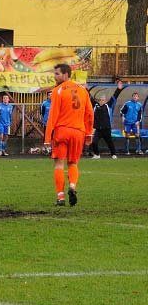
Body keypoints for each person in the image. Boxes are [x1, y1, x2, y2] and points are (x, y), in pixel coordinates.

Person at [43, 64, 94, 207]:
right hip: (79, 132)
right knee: (73, 162)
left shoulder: (57, 91)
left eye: (57, 74)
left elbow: (52, 115)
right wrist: (89, 133)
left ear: (66, 74)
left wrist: (47, 138)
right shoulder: (83, 90)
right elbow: (89, 113)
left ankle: (60, 197)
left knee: (59, 163)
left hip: (62, 131)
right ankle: (72, 186)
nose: (55, 76)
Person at [90, 81, 122, 159]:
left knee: (110, 142)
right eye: (100, 99)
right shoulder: (95, 105)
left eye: (103, 100)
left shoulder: (108, 105)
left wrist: (118, 89)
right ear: (99, 100)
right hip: (98, 129)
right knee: (94, 142)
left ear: (105, 100)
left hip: (106, 129)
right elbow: (89, 97)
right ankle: (97, 155)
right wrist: (86, 89)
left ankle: (113, 154)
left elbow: (115, 96)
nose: (102, 101)